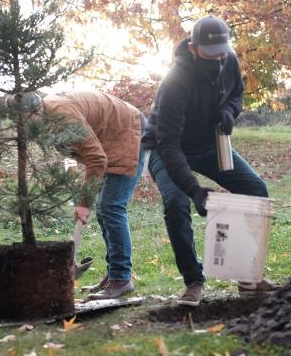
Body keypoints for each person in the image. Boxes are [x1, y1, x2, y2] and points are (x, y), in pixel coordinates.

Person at [143, 15, 275, 307]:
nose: (218, 60)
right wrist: (195, 190)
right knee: (176, 202)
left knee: (256, 189)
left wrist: (229, 111)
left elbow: (237, 95)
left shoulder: (230, 61)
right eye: (210, 54)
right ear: (193, 49)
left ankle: (248, 275)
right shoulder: (176, 81)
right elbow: (169, 143)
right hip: (167, 149)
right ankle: (193, 281)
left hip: (209, 145)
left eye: (222, 53)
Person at [40, 90, 147, 300]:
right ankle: (113, 275)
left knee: (111, 206)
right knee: (105, 209)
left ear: (35, 112)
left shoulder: (62, 115)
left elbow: (96, 159)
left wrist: (84, 202)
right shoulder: (46, 115)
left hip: (129, 131)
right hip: (111, 137)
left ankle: (121, 279)